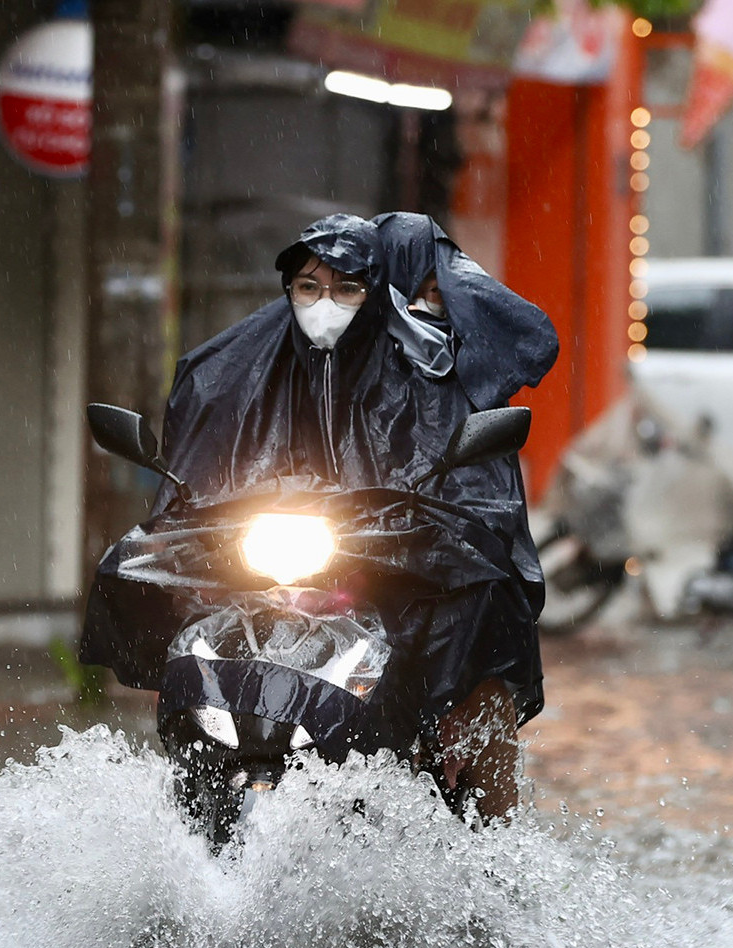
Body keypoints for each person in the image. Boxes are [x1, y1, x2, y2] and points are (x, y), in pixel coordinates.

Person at [84, 213, 555, 820]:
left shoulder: (432, 376)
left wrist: (425, 526)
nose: (323, 303)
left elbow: (476, 504)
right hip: (274, 568)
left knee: (483, 666)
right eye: (307, 287)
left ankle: (494, 865)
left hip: (396, 578)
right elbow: (208, 467)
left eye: (345, 288)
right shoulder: (241, 371)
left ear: (376, 289)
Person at [371, 212, 558, 819]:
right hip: (349, 562)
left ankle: (495, 855)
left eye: (441, 289)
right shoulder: (340, 371)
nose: (433, 302)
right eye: (419, 288)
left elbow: (530, 335)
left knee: (479, 654)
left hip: (453, 571)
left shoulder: (464, 373)